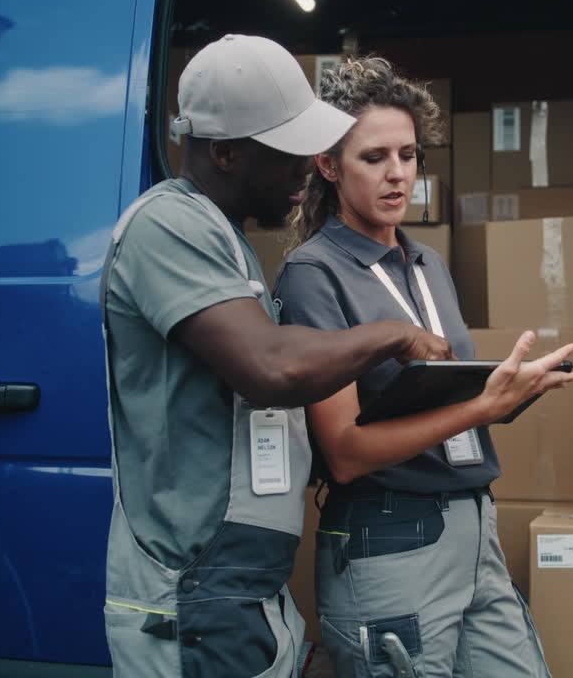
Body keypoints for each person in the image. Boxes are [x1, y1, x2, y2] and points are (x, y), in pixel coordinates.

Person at [100, 35, 456, 678]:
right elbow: (269, 367)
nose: (307, 164)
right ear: (226, 151)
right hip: (195, 588)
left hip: (240, 589)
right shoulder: (166, 225)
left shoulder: (225, 241)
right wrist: (392, 335)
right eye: (290, 148)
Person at [274, 56, 573, 677]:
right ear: (328, 166)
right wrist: (480, 407)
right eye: (374, 157)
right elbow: (345, 453)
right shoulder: (313, 273)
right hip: (392, 537)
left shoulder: (428, 264)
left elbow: (439, 401)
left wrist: (506, 394)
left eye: (408, 155)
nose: (397, 175)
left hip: (473, 525)